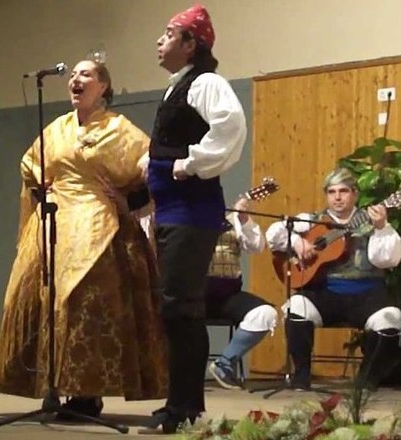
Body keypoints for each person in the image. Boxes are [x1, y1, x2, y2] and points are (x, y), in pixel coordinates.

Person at [0, 58, 167, 418]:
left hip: (101, 226)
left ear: (103, 87)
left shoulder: (120, 129)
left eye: (86, 74)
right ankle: (47, 385)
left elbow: (152, 172)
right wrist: (42, 192)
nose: (75, 79)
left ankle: (86, 394)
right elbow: (30, 168)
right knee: (37, 297)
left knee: (87, 305)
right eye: (73, 75)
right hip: (55, 225)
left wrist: (127, 201)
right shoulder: (56, 128)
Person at [143, 4, 247, 434]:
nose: (159, 40)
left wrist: (189, 163)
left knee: (181, 308)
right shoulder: (177, 88)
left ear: (191, 44)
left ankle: (183, 407)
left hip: (192, 212)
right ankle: (182, 403)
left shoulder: (206, 83)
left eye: (169, 33)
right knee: (176, 309)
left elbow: (230, 128)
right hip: (170, 212)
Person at [265, 168, 401, 391]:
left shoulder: (373, 223)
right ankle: (301, 377)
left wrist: (381, 227)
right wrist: (298, 243)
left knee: (391, 318)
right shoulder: (311, 220)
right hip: (324, 293)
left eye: (343, 191)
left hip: (367, 295)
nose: (337, 197)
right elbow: (274, 233)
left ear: (355, 194)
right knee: (296, 307)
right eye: (332, 192)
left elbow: (387, 260)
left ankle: (366, 381)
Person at [205, 196, 278, 389]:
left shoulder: (233, 222)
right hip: (192, 296)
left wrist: (244, 218)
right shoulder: (181, 221)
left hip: (228, 296)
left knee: (265, 313)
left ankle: (225, 363)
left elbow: (257, 246)